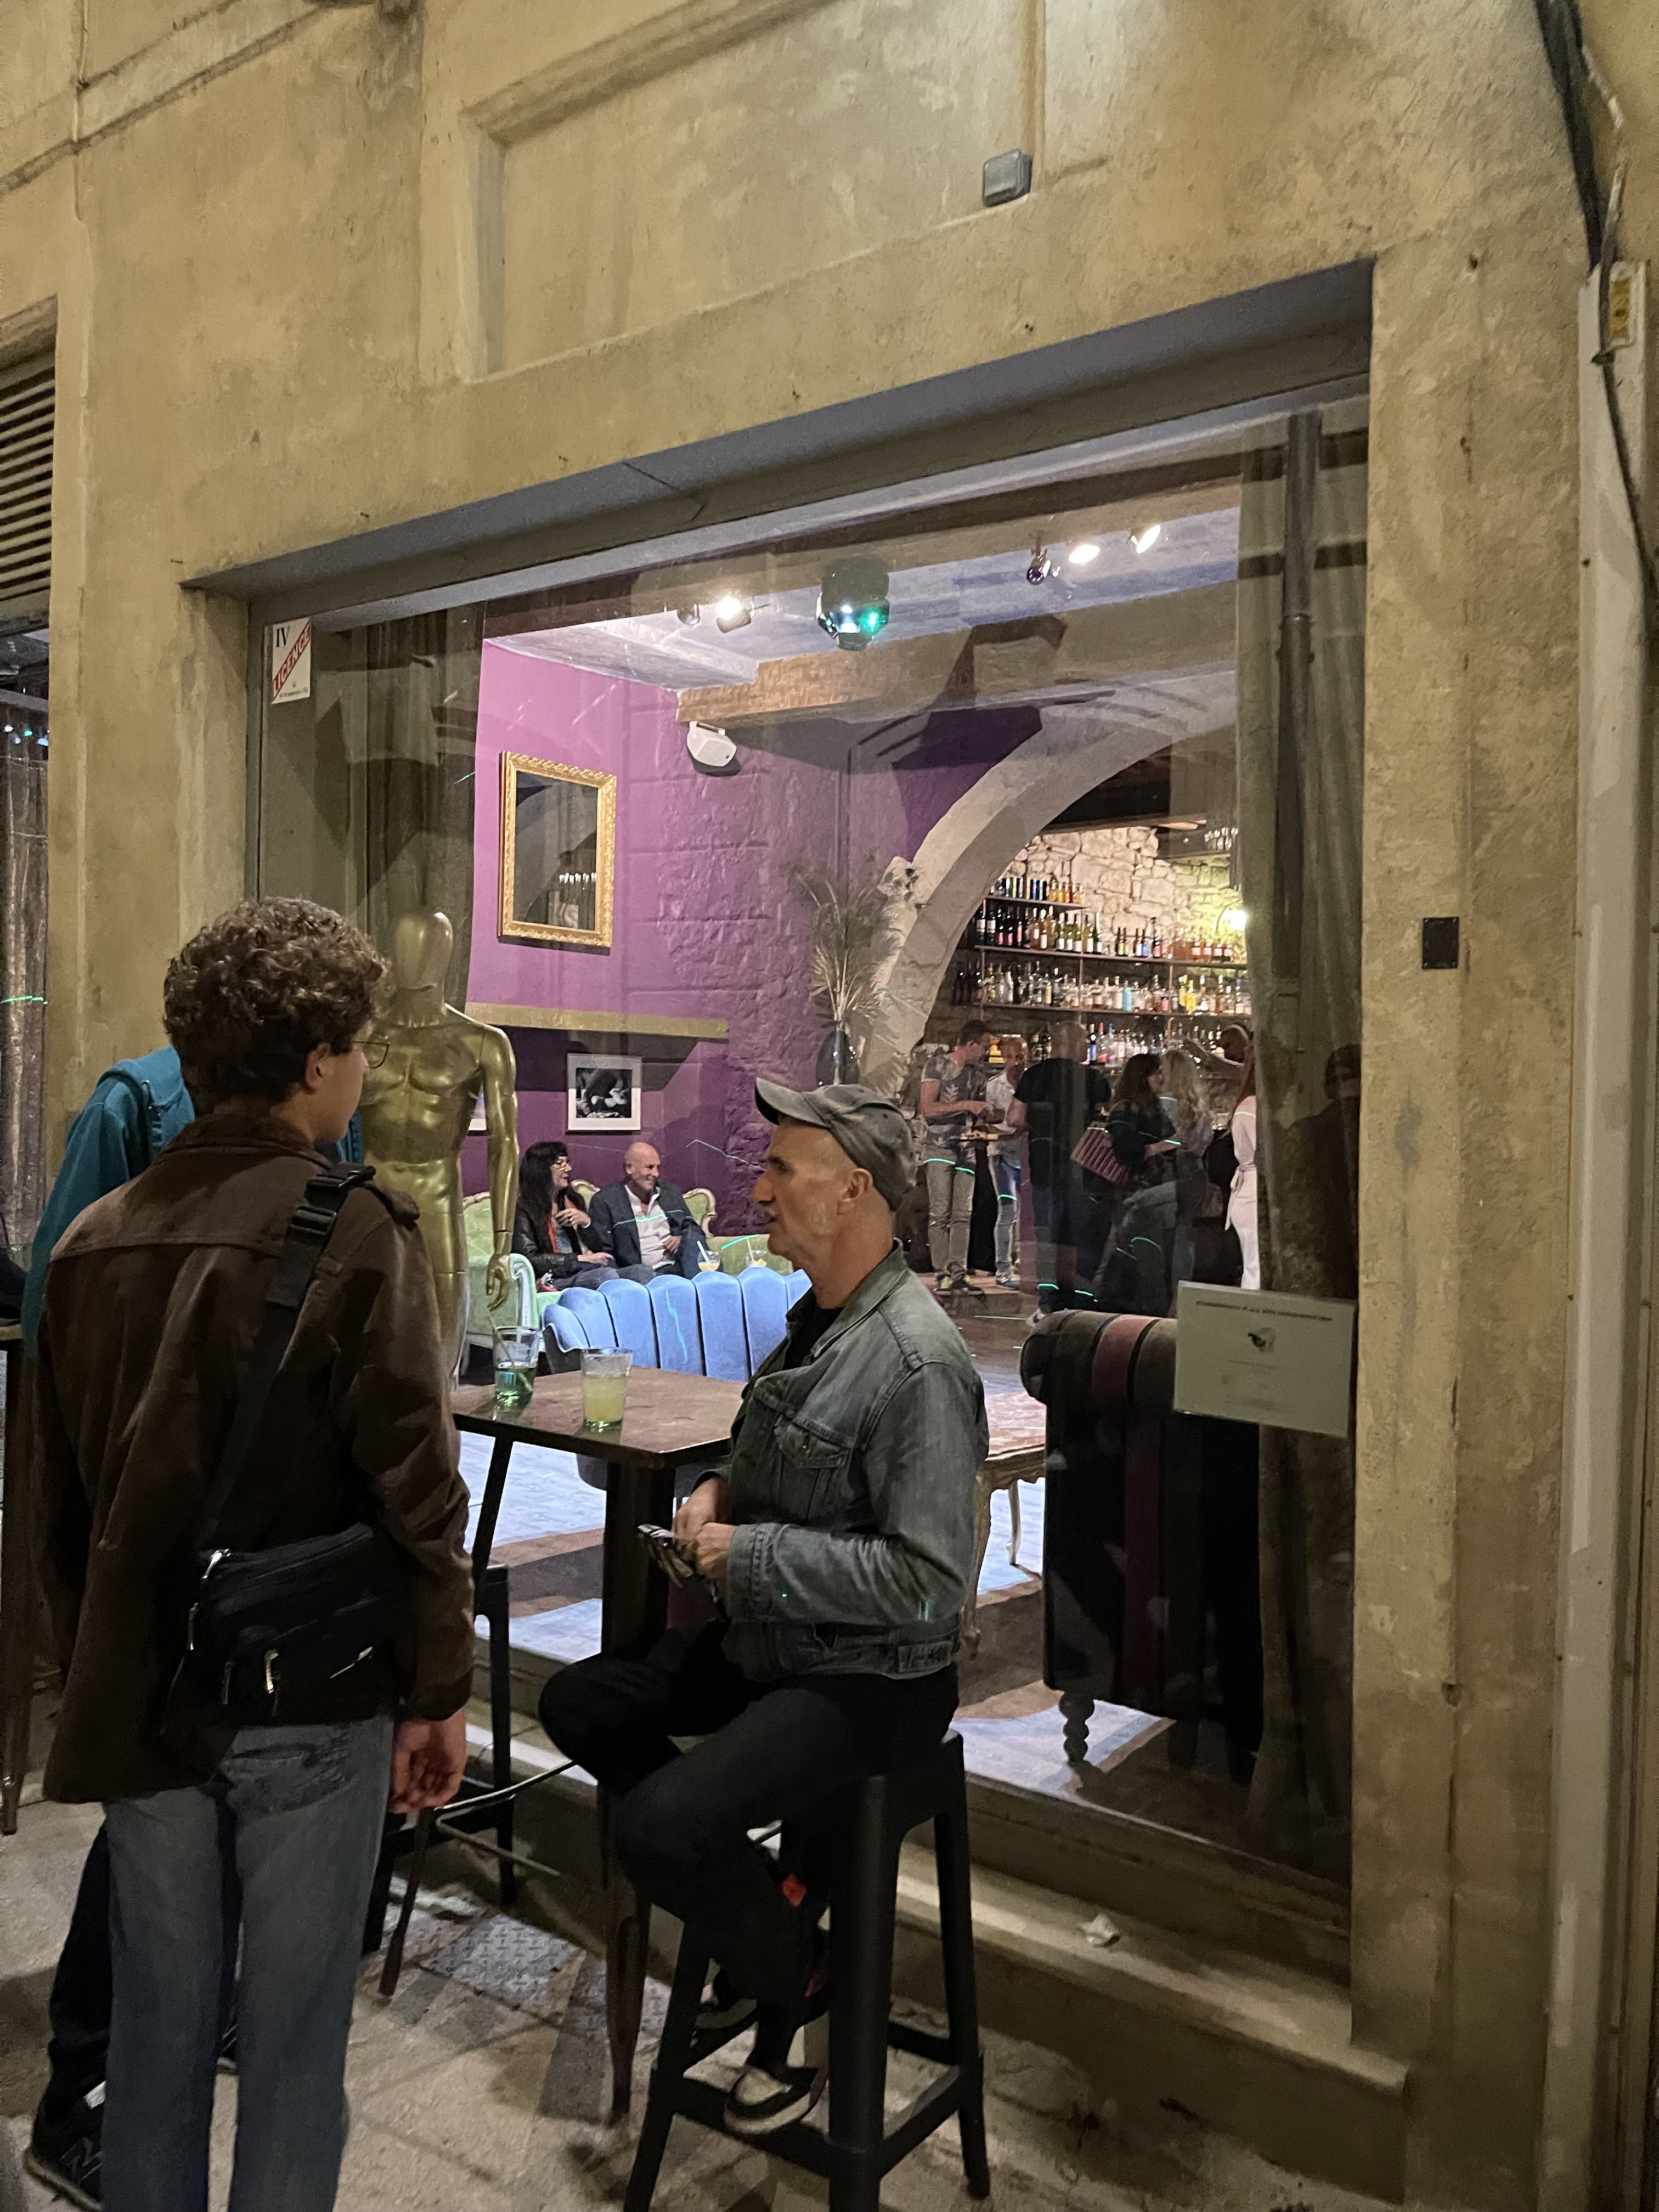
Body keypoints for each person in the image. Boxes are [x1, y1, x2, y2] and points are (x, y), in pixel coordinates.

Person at [35, 898, 475, 2212]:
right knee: (290, 2053)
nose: (363, 1071)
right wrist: (438, 1687)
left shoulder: (91, 1244)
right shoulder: (360, 1230)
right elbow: (418, 1492)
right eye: (355, 1048)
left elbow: (54, 1505)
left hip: (144, 1696)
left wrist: (97, 1661)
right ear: (314, 1063)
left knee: (156, 2038)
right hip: (311, 1694)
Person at [537, 1081, 986, 2137]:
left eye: (782, 1167)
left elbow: (926, 1581)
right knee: (579, 1702)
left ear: (854, 1191)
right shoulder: (812, 1326)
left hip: (873, 1678)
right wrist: (714, 1493)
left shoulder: (917, 1359)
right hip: (778, 1644)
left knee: (661, 1824)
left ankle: (797, 1973)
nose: (759, 1188)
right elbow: (765, 1460)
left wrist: (749, 1554)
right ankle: (768, 1921)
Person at [21, 1049, 364, 2208]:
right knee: (148, 1861)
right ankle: (79, 2088)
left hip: (275, 1598)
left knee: (203, 1876)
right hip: (162, 1579)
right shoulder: (132, 1107)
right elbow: (58, 1335)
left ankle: (180, 2027)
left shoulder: (336, 1132)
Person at [1005, 1022, 1111, 1312]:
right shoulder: (1093, 1079)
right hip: (1085, 1169)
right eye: (1083, 1041)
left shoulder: (1034, 1075)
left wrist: (1040, 1123)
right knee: (1084, 1239)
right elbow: (1109, 1119)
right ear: (1070, 1044)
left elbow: (1014, 1118)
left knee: (1048, 1239)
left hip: (1045, 1168)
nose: (1087, 1046)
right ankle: (1084, 1301)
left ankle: (1048, 1302)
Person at [918, 1020, 990, 1294]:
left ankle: (959, 1271)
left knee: (963, 1213)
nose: (985, 1052)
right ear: (971, 1044)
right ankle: (941, 1273)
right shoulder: (937, 1066)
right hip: (939, 1147)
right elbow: (928, 1109)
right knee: (940, 1213)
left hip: (967, 1149)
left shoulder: (978, 1075)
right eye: (984, 1046)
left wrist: (983, 1128)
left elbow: (979, 1115)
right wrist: (965, 1105)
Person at [511, 1139, 624, 1290]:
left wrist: (586, 1223)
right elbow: (527, 1259)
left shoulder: (574, 1200)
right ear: (541, 1169)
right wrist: (576, 1259)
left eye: (567, 1163)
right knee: (606, 1276)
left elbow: (601, 1248)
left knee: (641, 1272)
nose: (568, 1169)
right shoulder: (524, 1209)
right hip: (552, 1276)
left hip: (581, 1269)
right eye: (560, 1164)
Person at [585, 1142, 710, 1277]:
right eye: (649, 1167)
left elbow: (693, 1229)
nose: (656, 1174)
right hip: (638, 1272)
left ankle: (707, 1282)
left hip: (676, 1267)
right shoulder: (605, 1201)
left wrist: (682, 1238)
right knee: (641, 1272)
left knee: (693, 1238)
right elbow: (603, 1250)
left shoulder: (670, 1192)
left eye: (657, 1167)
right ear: (629, 1168)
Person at [1158, 1046, 1214, 1295]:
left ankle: (1162, 1295)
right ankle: (1180, 1296)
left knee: (1163, 1237)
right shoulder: (1199, 1108)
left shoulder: (1163, 1105)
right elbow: (1203, 1143)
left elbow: (1162, 1142)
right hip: (1196, 1172)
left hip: (1170, 1172)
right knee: (1186, 1235)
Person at [984, 1035, 1027, 1289]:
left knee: (1028, 1213)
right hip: (1001, 1153)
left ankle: (1024, 1265)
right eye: (1010, 1057)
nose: (1016, 1063)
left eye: (1020, 1057)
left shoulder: (1033, 1083)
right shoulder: (994, 1086)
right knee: (1008, 1210)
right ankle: (1003, 1269)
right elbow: (988, 1120)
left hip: (1028, 1155)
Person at [1228, 1047, 1261, 1290]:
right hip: (1253, 1193)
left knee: (1254, 1269)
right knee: (1256, 1271)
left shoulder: (1250, 1105)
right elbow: (1264, 1153)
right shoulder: (1252, 1107)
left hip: (1249, 1190)